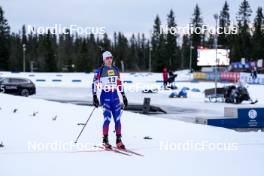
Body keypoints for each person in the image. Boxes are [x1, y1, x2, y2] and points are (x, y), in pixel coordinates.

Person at [92, 51, 128, 149]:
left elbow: (119, 83)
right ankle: (105, 140)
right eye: (107, 58)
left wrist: (123, 96)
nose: (109, 60)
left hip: (115, 98)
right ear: (104, 59)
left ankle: (118, 140)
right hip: (105, 98)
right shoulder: (100, 71)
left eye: (111, 58)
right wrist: (94, 96)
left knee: (117, 119)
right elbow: (94, 83)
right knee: (107, 119)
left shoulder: (116, 69)